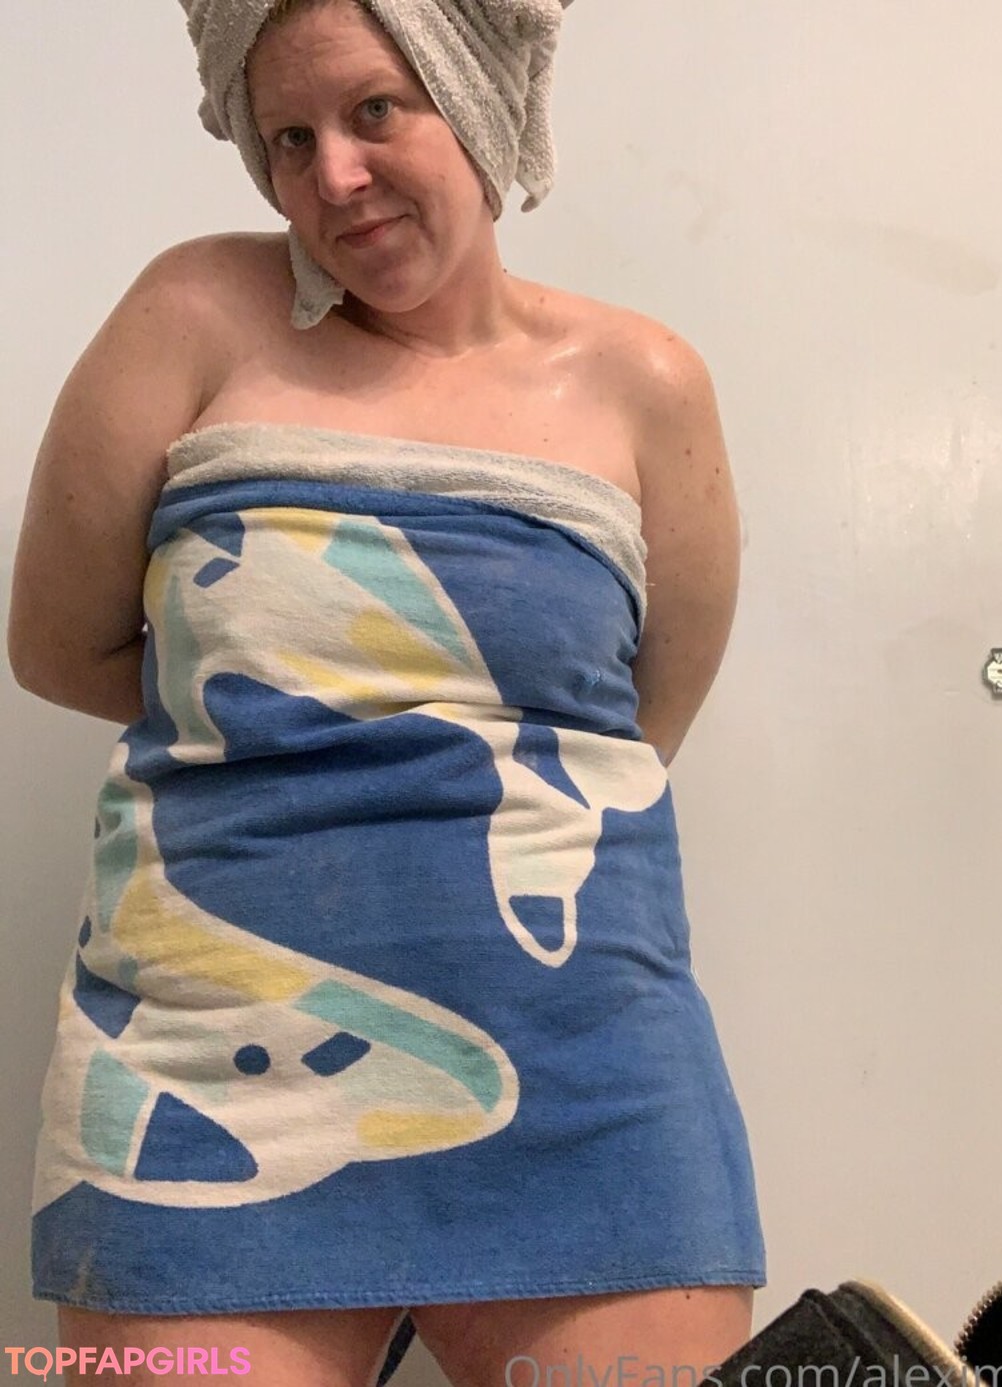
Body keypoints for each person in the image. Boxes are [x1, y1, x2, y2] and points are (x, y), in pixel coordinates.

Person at [7, 2, 766, 1383]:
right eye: (288, 138)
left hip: (589, 1074)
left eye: (374, 112)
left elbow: (635, 729)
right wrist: (283, 714)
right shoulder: (192, 316)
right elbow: (58, 645)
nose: (334, 178)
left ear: (474, 95)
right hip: (200, 1071)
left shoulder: (644, 386)